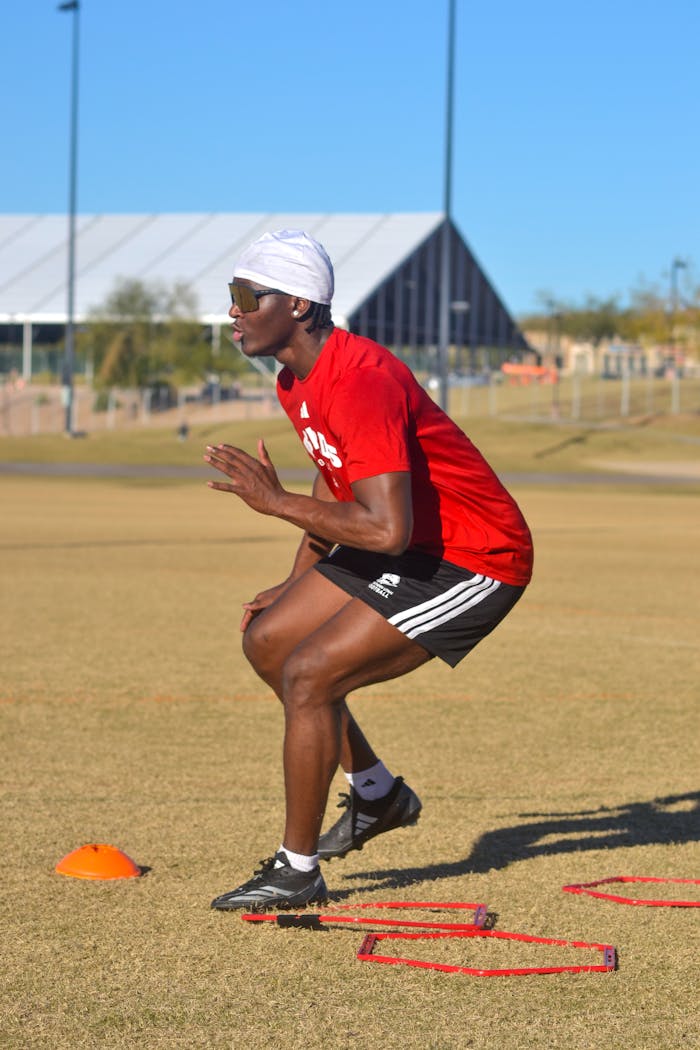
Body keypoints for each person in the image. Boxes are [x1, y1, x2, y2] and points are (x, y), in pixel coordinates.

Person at [204, 229, 533, 911]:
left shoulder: (360, 378)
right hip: (404, 544)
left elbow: (385, 527)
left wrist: (273, 502)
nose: (232, 311)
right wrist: (299, 581)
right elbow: (334, 486)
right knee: (268, 637)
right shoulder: (296, 378)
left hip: (472, 559)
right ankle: (379, 796)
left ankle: (297, 871)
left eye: (244, 296)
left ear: (297, 304)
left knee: (309, 673)